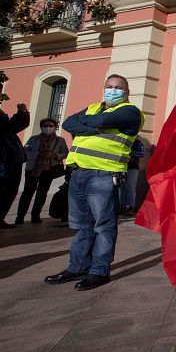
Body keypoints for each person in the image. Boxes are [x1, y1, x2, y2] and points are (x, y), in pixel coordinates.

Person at [45, 74, 144, 291]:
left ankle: (99, 271)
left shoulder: (129, 112)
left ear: (127, 92)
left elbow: (99, 122)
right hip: (78, 174)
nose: (113, 90)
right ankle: (77, 266)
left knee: (103, 226)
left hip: (105, 175)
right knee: (82, 226)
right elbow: (68, 122)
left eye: (118, 88)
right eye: (109, 86)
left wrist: (86, 125)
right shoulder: (92, 107)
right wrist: (91, 129)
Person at [15, 117, 69, 224]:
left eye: (50, 126)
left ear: (55, 128)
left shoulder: (60, 141)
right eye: (45, 126)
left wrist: (55, 155)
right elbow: (25, 152)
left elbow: (66, 153)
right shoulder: (33, 139)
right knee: (27, 193)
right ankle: (20, 216)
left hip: (49, 170)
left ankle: (35, 216)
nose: (48, 128)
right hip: (32, 169)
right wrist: (38, 154)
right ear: (41, 127)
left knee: (42, 193)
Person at [0, 102, 30, 228]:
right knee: (2, 189)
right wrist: (21, 113)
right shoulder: (4, 129)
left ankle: (0, 217)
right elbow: (10, 125)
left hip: (14, 163)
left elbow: (22, 124)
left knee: (10, 191)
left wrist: (25, 113)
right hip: (4, 163)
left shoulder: (8, 132)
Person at [119, 137, 146, 217]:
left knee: (130, 187)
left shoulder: (137, 142)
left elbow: (142, 153)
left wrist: (129, 153)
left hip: (132, 167)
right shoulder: (122, 140)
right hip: (121, 167)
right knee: (122, 186)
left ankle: (130, 207)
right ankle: (121, 207)